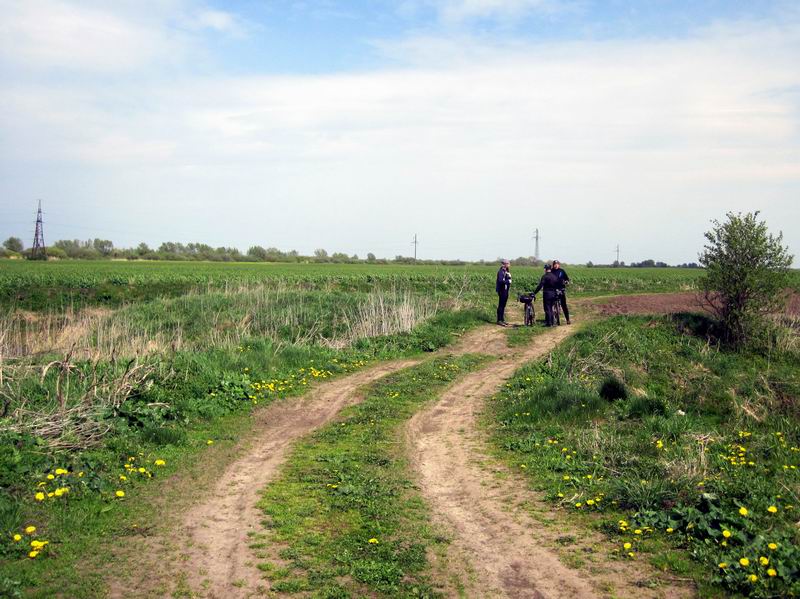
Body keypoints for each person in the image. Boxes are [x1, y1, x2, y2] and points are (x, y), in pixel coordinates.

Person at [551, 259, 571, 324]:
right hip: (553, 289)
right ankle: (551, 318)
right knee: (551, 304)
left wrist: (567, 282)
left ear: (559, 265)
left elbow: (567, 279)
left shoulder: (562, 271)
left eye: (557, 264)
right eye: (554, 264)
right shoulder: (551, 271)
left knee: (564, 305)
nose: (556, 265)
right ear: (553, 265)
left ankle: (568, 319)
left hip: (561, 289)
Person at [496, 259, 512, 325]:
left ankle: (502, 319)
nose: (509, 265)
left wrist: (509, 278)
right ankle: (499, 320)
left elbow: (507, 279)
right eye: (508, 264)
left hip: (505, 290)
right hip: (502, 290)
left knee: (503, 305)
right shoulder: (500, 272)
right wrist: (507, 281)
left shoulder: (506, 271)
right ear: (504, 264)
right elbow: (500, 281)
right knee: (501, 305)